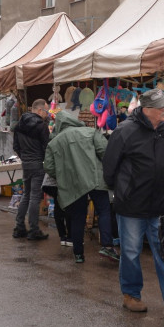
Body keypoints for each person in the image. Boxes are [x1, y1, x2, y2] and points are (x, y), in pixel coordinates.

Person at [102, 89, 164, 314]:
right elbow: (109, 166)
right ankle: (131, 295)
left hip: (158, 201)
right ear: (147, 109)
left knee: (163, 249)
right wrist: (121, 190)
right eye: (161, 107)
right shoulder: (125, 130)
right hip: (131, 203)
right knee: (130, 251)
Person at [43, 111, 118, 264]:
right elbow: (105, 153)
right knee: (104, 210)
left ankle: (78, 254)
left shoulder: (54, 142)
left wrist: (64, 175)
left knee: (78, 217)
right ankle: (107, 246)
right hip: (95, 178)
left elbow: (49, 167)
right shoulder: (91, 132)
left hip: (73, 183)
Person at [12, 99, 50, 240]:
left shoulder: (19, 125)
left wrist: (24, 157)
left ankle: (19, 227)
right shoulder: (41, 126)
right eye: (46, 111)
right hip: (38, 163)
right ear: (39, 110)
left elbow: (16, 146)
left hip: (26, 164)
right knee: (35, 197)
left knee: (26, 195)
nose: (47, 114)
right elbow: (47, 146)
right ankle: (34, 229)